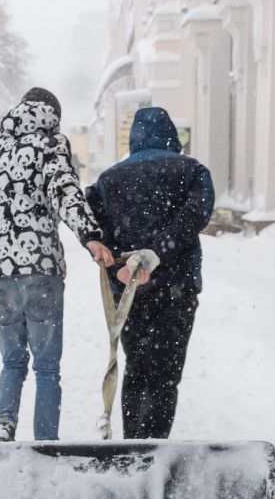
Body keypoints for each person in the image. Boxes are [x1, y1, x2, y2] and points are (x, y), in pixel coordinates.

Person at [0, 87, 113, 442]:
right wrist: (91, 236)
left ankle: (3, 425)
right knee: (46, 367)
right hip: (40, 270)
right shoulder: (49, 145)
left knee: (12, 361)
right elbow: (65, 192)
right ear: (52, 117)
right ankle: (44, 443)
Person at [86, 106, 215, 440]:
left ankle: (133, 446)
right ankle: (154, 447)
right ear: (172, 136)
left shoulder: (108, 179)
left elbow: (94, 229)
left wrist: (118, 266)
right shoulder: (191, 171)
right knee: (165, 374)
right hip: (178, 289)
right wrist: (160, 250)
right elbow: (195, 215)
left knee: (137, 369)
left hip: (130, 291)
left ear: (133, 139)